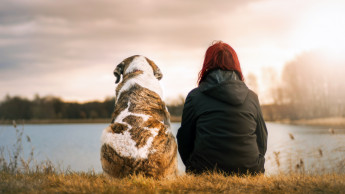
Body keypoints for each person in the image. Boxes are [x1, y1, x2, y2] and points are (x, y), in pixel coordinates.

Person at [176, 41, 267, 175]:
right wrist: (254, 164)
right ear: (235, 64)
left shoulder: (194, 97)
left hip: (204, 170)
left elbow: (184, 140)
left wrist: (193, 166)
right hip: (250, 170)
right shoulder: (252, 97)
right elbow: (262, 139)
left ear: (207, 65)